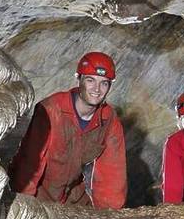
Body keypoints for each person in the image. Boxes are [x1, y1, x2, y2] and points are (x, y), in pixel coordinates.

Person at [9, 52, 127, 209]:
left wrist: (107, 217)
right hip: (39, 195)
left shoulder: (109, 120)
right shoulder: (51, 110)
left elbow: (112, 176)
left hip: (73, 198)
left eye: (104, 83)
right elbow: (30, 162)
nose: (97, 89)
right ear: (78, 79)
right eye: (90, 80)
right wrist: (24, 207)